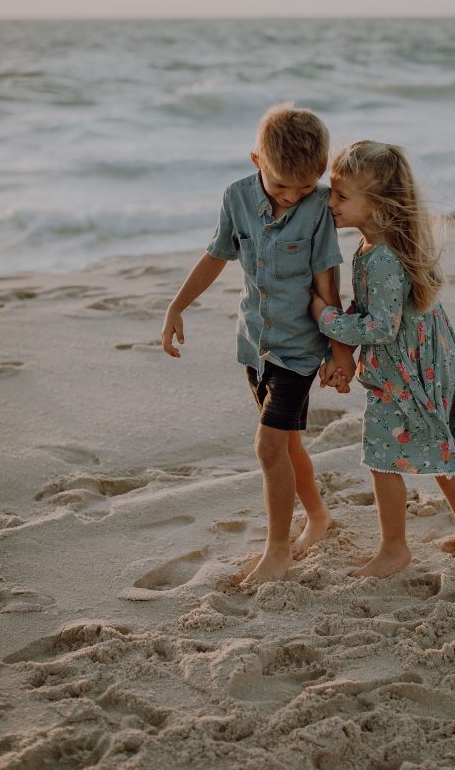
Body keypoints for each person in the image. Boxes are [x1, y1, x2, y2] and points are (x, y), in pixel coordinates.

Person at [161, 104, 356, 584]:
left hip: (299, 349)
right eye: (282, 186)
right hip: (255, 344)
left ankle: (276, 551)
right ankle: (318, 518)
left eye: (306, 187)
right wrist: (176, 305)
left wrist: (338, 351)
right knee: (287, 446)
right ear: (256, 162)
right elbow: (216, 256)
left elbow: (326, 279)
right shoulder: (236, 198)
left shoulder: (317, 209)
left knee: (267, 448)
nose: (293, 196)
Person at [310, 140, 455, 578]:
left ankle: (394, 549)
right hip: (417, 358)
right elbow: (373, 313)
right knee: (433, 437)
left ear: (379, 205)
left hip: (408, 367)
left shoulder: (383, 257)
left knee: (382, 454)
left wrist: (326, 317)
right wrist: (340, 351)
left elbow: (380, 327)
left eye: (341, 195)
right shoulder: (374, 246)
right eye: (332, 191)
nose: (330, 202)